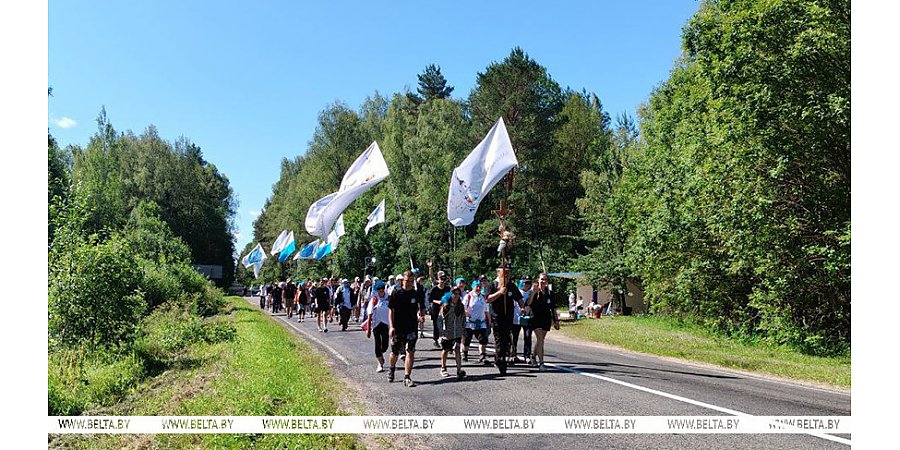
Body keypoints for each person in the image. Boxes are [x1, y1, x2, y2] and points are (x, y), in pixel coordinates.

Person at [388, 270, 426, 387]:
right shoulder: (396, 292)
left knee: (410, 350)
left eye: (411, 281)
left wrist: (421, 315)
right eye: (406, 281)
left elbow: (422, 307)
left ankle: (407, 377)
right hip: (398, 327)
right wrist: (391, 326)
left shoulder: (416, 293)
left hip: (411, 327)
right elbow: (391, 311)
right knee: (395, 352)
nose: (408, 283)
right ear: (402, 280)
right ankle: (392, 368)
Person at [486, 267, 524, 375]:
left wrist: (523, 308)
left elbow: (519, 298)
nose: (506, 275)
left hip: (509, 317)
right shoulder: (492, 285)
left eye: (508, 273)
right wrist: (500, 293)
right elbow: (488, 299)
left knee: (506, 339)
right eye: (504, 273)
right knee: (499, 339)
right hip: (497, 317)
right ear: (498, 273)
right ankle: (501, 361)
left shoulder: (511, 285)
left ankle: (501, 357)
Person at [526, 273, 560, 371]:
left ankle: (533, 356)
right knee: (540, 339)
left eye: (545, 280)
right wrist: (533, 292)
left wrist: (556, 320)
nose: (543, 281)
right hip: (535, 318)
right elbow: (528, 303)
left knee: (541, 340)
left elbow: (553, 308)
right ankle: (541, 363)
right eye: (541, 279)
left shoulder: (550, 293)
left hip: (546, 318)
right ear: (538, 280)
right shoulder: (533, 291)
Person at [439, 288, 466, 380]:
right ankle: (443, 367)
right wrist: (441, 331)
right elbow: (440, 318)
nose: (456, 295)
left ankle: (459, 370)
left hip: (457, 331)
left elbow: (463, 317)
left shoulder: (460, 305)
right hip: (447, 332)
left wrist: (463, 328)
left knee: (457, 348)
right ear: (451, 294)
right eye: (455, 293)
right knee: (445, 350)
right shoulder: (446, 305)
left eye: (458, 294)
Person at [462, 280, 491, 364]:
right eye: (476, 286)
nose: (478, 288)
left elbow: (486, 310)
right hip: (469, 322)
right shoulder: (468, 296)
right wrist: (465, 312)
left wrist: (489, 320)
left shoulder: (483, 297)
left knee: (483, 339)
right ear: (473, 287)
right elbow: (463, 307)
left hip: (481, 322)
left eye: (479, 286)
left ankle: (482, 355)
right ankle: (465, 354)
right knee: (467, 340)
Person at [365, 281, 391, 373]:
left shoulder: (389, 298)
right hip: (376, 324)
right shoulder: (374, 299)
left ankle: (381, 355)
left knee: (385, 345)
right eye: (379, 289)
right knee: (377, 343)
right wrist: (368, 329)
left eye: (382, 288)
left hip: (386, 324)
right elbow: (369, 315)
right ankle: (380, 363)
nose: (381, 290)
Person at [428, 274, 451, 348]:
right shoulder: (434, 288)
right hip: (436, 308)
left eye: (444, 279)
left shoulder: (447, 288)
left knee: (446, 324)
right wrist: (437, 302)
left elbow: (449, 297)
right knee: (436, 324)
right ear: (438, 279)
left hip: (445, 308)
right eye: (441, 279)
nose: (442, 281)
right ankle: (436, 339)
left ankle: (446, 339)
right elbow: (430, 299)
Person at [516, 278, 534, 364]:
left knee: (528, 336)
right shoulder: (516, 292)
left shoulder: (531, 293)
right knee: (514, 336)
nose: (527, 285)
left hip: (527, 317)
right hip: (516, 317)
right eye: (525, 283)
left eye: (529, 283)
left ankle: (527, 355)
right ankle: (513, 354)